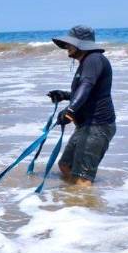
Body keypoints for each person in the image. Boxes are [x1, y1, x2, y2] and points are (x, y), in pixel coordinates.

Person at [47, 25, 116, 187]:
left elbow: (86, 85)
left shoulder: (93, 59)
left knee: (83, 179)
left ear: (80, 44)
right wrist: (65, 95)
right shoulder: (87, 61)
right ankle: (75, 202)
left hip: (97, 126)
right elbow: (88, 93)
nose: (66, 47)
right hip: (85, 126)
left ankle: (83, 202)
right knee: (66, 166)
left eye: (69, 43)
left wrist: (70, 111)